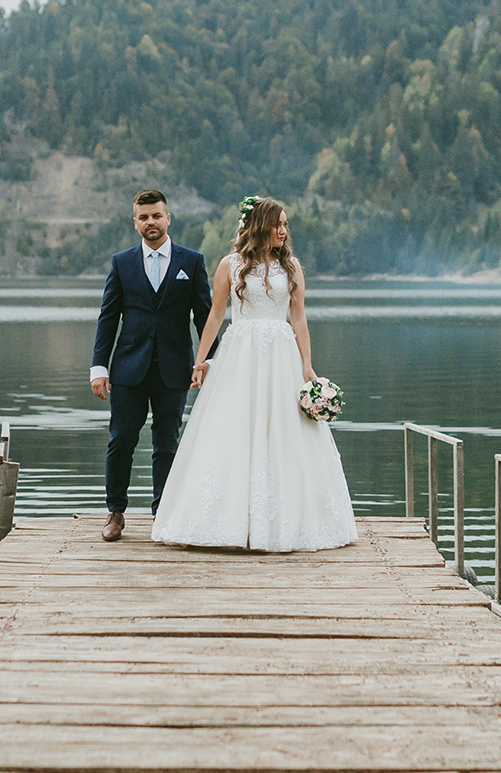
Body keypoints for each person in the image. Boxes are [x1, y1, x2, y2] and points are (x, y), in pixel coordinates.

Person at [151, 196, 356, 551]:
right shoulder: (230, 265)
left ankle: (284, 524)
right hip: (240, 355)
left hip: (281, 356)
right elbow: (215, 316)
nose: (284, 230)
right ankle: (228, 523)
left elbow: (299, 318)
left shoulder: (291, 266)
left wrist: (307, 364)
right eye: (278, 224)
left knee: (285, 431)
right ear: (260, 225)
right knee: (233, 429)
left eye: (286, 224)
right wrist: (201, 361)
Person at [90, 189, 212, 542]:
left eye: (156, 215)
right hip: (128, 369)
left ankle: (163, 513)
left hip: (175, 369)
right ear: (135, 223)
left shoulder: (192, 262)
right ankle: (115, 512)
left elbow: (205, 317)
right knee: (121, 440)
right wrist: (99, 367)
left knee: (167, 444)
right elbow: (108, 318)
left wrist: (208, 360)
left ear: (168, 218)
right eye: (143, 217)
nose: (151, 222)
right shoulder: (122, 263)